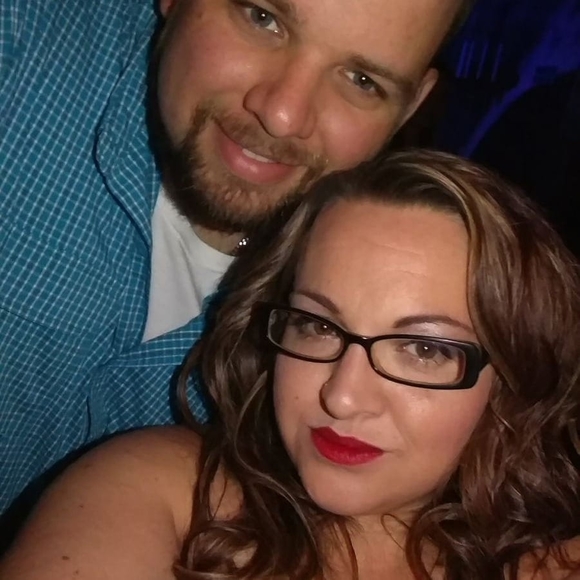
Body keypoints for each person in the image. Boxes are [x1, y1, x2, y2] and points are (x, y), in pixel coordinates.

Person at [2, 149, 580, 579]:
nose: (342, 396)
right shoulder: (162, 494)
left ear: (511, 380)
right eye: (318, 325)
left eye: (425, 350)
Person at [0, 0, 474, 514]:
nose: (282, 115)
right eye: (262, 18)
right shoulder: (23, 40)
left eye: (362, 80)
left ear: (410, 106)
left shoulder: (367, 346)